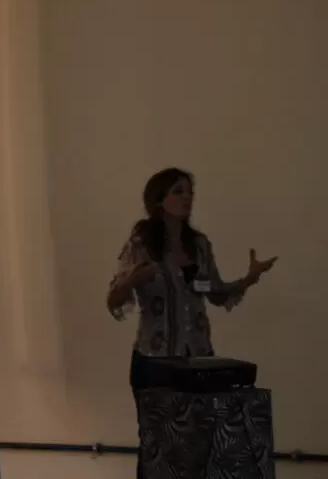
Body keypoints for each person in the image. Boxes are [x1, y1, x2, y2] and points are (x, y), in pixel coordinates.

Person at [107, 168, 277, 475]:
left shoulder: (199, 245)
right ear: (159, 199)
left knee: (199, 444)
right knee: (158, 448)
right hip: (155, 361)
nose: (187, 197)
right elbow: (114, 301)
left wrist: (249, 278)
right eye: (178, 191)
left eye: (190, 192)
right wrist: (134, 279)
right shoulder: (142, 243)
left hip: (198, 360)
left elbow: (216, 293)